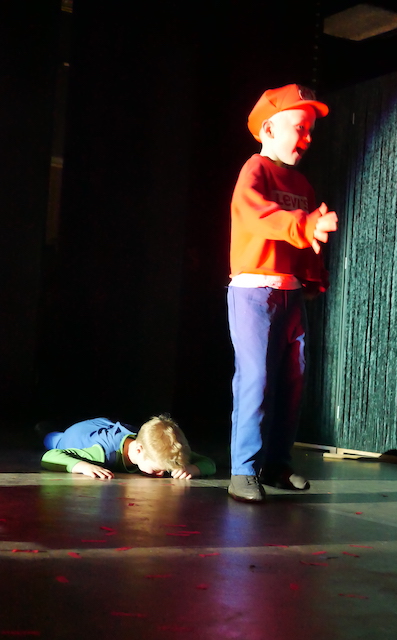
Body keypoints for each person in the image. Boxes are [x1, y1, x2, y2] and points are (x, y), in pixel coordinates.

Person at [227, 84, 338, 502]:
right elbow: (256, 214)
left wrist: (313, 277)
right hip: (254, 291)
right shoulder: (254, 169)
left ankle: (276, 463)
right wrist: (304, 225)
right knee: (256, 378)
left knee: (293, 379)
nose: (306, 138)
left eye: (310, 131)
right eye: (299, 128)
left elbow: (306, 240)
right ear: (269, 129)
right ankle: (243, 470)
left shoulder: (302, 184)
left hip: (290, 294)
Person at [39, 414, 216, 480]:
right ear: (139, 450)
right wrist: (83, 466)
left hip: (108, 425)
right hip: (77, 435)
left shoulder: (164, 450)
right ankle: (43, 429)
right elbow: (50, 456)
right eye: (157, 470)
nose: (162, 474)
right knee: (52, 439)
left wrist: (192, 469)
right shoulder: (103, 453)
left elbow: (208, 463)